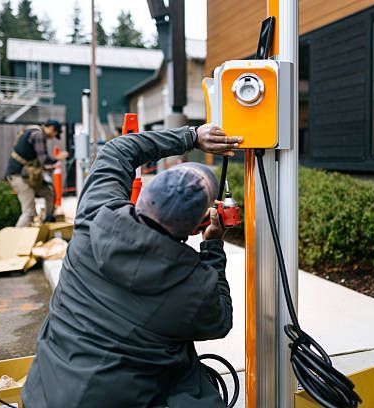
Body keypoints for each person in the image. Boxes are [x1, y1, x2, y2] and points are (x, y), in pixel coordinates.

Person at [22, 124, 243, 408]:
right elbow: (220, 320)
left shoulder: (93, 217)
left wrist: (192, 136)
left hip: (43, 395)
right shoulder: (192, 288)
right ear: (194, 227)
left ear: (146, 198)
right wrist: (212, 247)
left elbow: (118, 149)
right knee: (197, 388)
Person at [5, 119, 69, 227]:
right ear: (52, 129)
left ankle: (47, 222)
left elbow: (34, 161)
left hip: (26, 177)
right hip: (19, 177)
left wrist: (47, 169)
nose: (52, 137)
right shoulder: (39, 135)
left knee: (49, 193)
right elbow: (43, 159)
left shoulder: (32, 130)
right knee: (29, 212)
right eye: (54, 134)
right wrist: (58, 158)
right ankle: (15, 238)